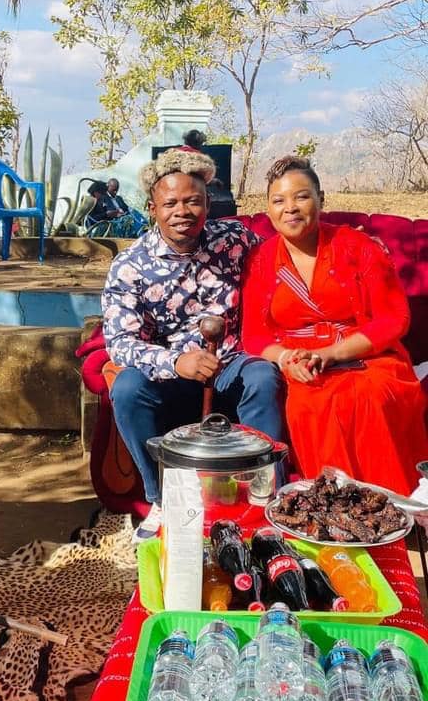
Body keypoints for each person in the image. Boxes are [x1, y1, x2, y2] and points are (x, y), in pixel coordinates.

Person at [102, 148, 284, 537]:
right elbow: (119, 341)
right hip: (169, 377)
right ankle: (161, 499)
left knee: (263, 377)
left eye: (193, 201)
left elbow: (282, 258)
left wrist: (345, 247)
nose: (182, 211)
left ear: (207, 204)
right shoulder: (129, 265)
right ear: (152, 208)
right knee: (128, 388)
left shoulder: (235, 240)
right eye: (170, 203)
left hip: (231, 366)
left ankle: (263, 500)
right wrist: (176, 362)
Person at [241, 155, 428, 494]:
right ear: (268, 209)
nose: (290, 208)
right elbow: (254, 334)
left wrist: (332, 353)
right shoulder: (260, 260)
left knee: (372, 396)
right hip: (301, 361)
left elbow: (394, 319)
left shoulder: (359, 247)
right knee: (309, 404)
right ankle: (330, 508)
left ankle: (392, 506)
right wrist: (285, 358)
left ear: (321, 199)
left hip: (366, 355)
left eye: (301, 196)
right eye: (279, 200)